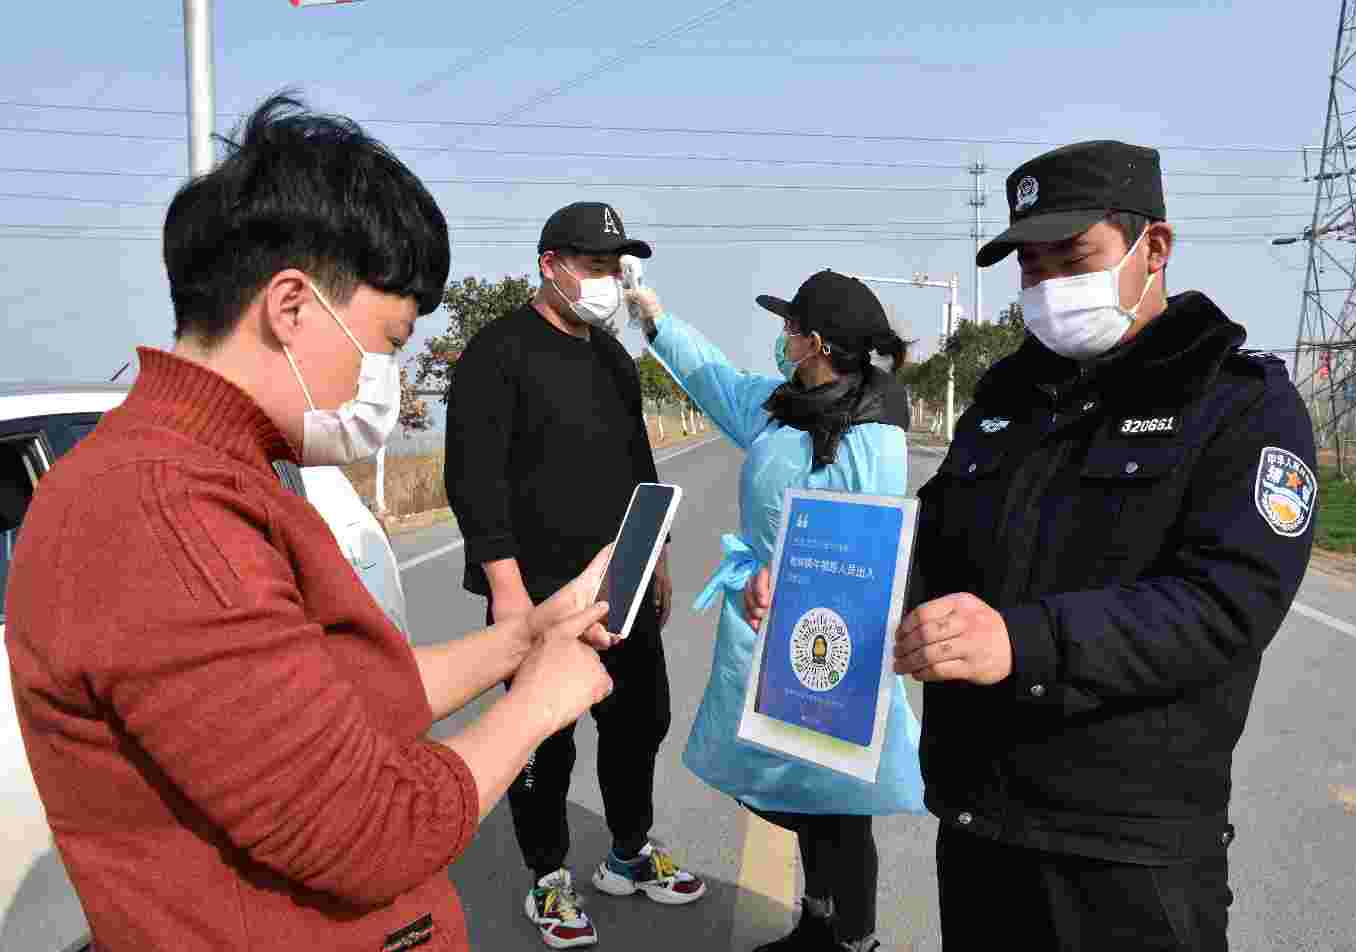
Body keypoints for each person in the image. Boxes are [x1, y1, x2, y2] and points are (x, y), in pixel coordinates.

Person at [2, 94, 620, 951]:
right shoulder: (164, 515)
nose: (389, 378)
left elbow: (348, 701)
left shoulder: (216, 471)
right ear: (291, 307)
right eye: (389, 341)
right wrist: (536, 708)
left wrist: (524, 641)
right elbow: (372, 833)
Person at [891, 140, 1318, 949]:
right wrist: (840, 585)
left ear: (1152, 247)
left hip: (1126, 853)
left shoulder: (1236, 405)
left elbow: (1227, 604)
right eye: (1030, 267)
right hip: (981, 824)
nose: (1049, 286)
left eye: (1072, 257)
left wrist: (1022, 640)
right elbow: (934, 542)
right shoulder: (1006, 402)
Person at [630, 270, 925, 952]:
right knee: (789, 786)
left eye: (789, 327)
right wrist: (656, 321)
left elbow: (861, 550)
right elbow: (713, 378)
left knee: (838, 799)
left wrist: (788, 582)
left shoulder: (874, 434)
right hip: (764, 625)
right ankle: (816, 923)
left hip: (832, 634)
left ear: (815, 342)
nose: (781, 337)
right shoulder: (777, 404)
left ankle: (854, 940)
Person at [444, 201, 706, 949]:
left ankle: (629, 850)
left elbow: (638, 467)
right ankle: (548, 877)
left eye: (615, 269)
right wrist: (505, 588)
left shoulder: (610, 357)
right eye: (593, 267)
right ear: (549, 265)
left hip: (619, 584)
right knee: (544, 738)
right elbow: (474, 478)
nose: (607, 282)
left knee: (639, 721)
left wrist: (653, 557)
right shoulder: (499, 352)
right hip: (538, 593)